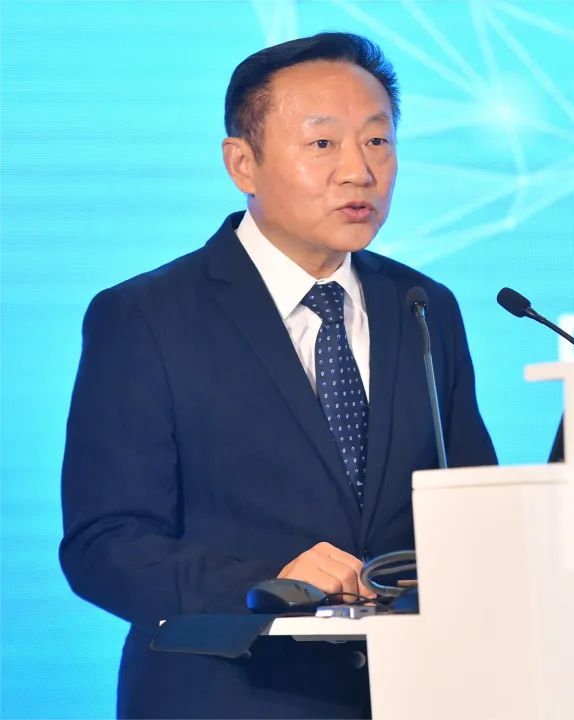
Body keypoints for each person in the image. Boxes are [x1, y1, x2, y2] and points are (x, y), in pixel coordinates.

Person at [59, 32, 497, 719]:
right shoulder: (146, 317)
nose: (358, 171)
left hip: (413, 694)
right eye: (323, 143)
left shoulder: (422, 306)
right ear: (243, 162)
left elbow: (473, 509)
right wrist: (267, 582)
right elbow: (105, 546)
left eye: (377, 141)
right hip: (230, 698)